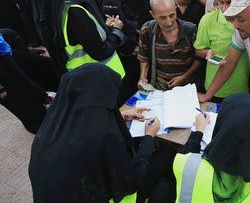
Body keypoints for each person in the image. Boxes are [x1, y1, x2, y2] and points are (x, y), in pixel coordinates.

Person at [29, 63, 164, 203]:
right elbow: (130, 181)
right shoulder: (103, 138)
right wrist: (149, 137)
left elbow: (82, 121)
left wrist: (120, 115)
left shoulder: (48, 130)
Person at [33, 0, 125, 79]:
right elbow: (100, 51)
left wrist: (104, 28)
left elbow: (80, 38)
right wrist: (117, 31)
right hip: (102, 79)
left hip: (82, 78)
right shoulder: (74, 12)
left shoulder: (55, 10)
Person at [194, 0, 250, 103]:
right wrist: (207, 52)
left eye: (230, 2)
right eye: (221, 2)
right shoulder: (208, 20)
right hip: (214, 90)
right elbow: (197, 50)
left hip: (242, 88)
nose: (225, 8)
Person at [137, 0, 201, 91]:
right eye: (162, 18)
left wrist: (184, 77)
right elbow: (144, 57)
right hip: (160, 88)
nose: (169, 22)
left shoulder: (190, 30)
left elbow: (199, 59)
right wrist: (143, 77)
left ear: (176, 9)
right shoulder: (147, 30)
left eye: (172, 15)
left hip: (188, 88)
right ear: (152, 14)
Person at [0, 32, 48, 134]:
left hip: (5, 59)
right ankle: (38, 129)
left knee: (25, 89)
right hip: (3, 76)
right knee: (19, 101)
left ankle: (43, 121)